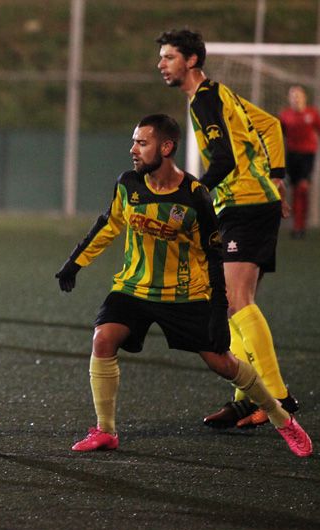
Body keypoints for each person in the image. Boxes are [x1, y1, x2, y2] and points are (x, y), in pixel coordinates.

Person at [55, 114, 311, 457]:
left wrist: (219, 313)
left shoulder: (195, 196)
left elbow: (214, 256)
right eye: (133, 141)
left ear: (166, 147)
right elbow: (109, 224)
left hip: (184, 296)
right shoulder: (128, 183)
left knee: (223, 363)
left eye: (141, 143)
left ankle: (283, 419)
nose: (133, 149)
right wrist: (74, 263)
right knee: (103, 339)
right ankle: (106, 431)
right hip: (133, 288)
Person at [156, 29, 299, 429]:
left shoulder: (204, 101)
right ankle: (248, 400)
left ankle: (277, 396)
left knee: (235, 302)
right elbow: (270, 124)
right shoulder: (220, 93)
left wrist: (191, 192)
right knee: (233, 304)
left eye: (169, 57)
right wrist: (277, 178)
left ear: (191, 61)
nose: (161, 64)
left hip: (244, 205)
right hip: (254, 201)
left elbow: (225, 158)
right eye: (162, 57)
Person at [279, 85, 320, 239]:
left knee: (302, 189)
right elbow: (277, 134)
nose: (296, 98)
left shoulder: (312, 114)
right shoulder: (285, 115)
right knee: (289, 189)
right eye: (293, 95)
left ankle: (300, 226)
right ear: (289, 98)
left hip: (307, 156)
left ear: (304, 97)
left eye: (298, 95)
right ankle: (296, 224)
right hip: (291, 156)